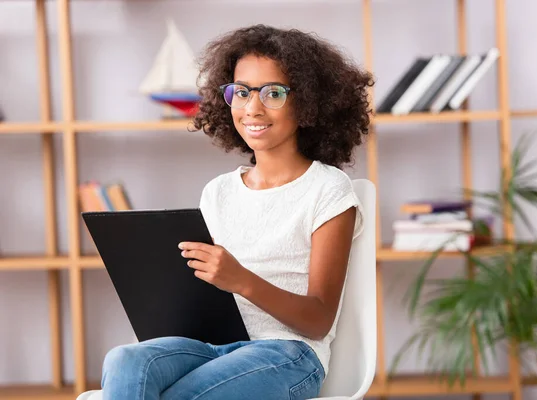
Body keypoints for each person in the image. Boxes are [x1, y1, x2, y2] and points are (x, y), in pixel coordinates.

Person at [101, 24, 374, 400]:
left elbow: (318, 320)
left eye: (273, 93)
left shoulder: (328, 190)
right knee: (125, 362)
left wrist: (240, 279)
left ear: (309, 102)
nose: (252, 108)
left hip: (288, 354)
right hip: (211, 346)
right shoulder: (218, 192)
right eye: (241, 92)